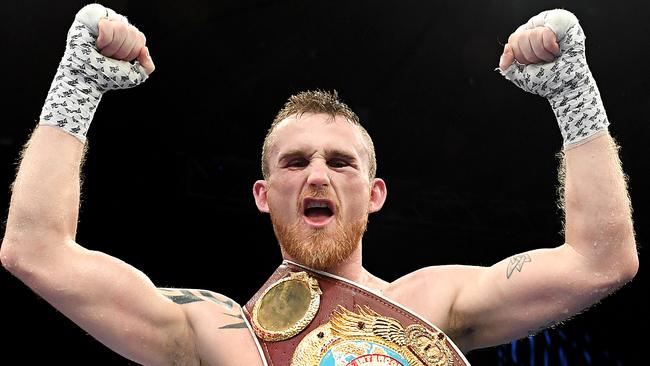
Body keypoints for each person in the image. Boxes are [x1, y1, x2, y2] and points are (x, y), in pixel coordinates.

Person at [0, 3, 638, 366]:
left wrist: (573, 96)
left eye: (341, 162)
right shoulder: (216, 335)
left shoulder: (433, 301)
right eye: (294, 161)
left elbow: (600, 261)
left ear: (375, 193)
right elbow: (36, 253)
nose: (316, 174)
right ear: (262, 193)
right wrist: (75, 88)